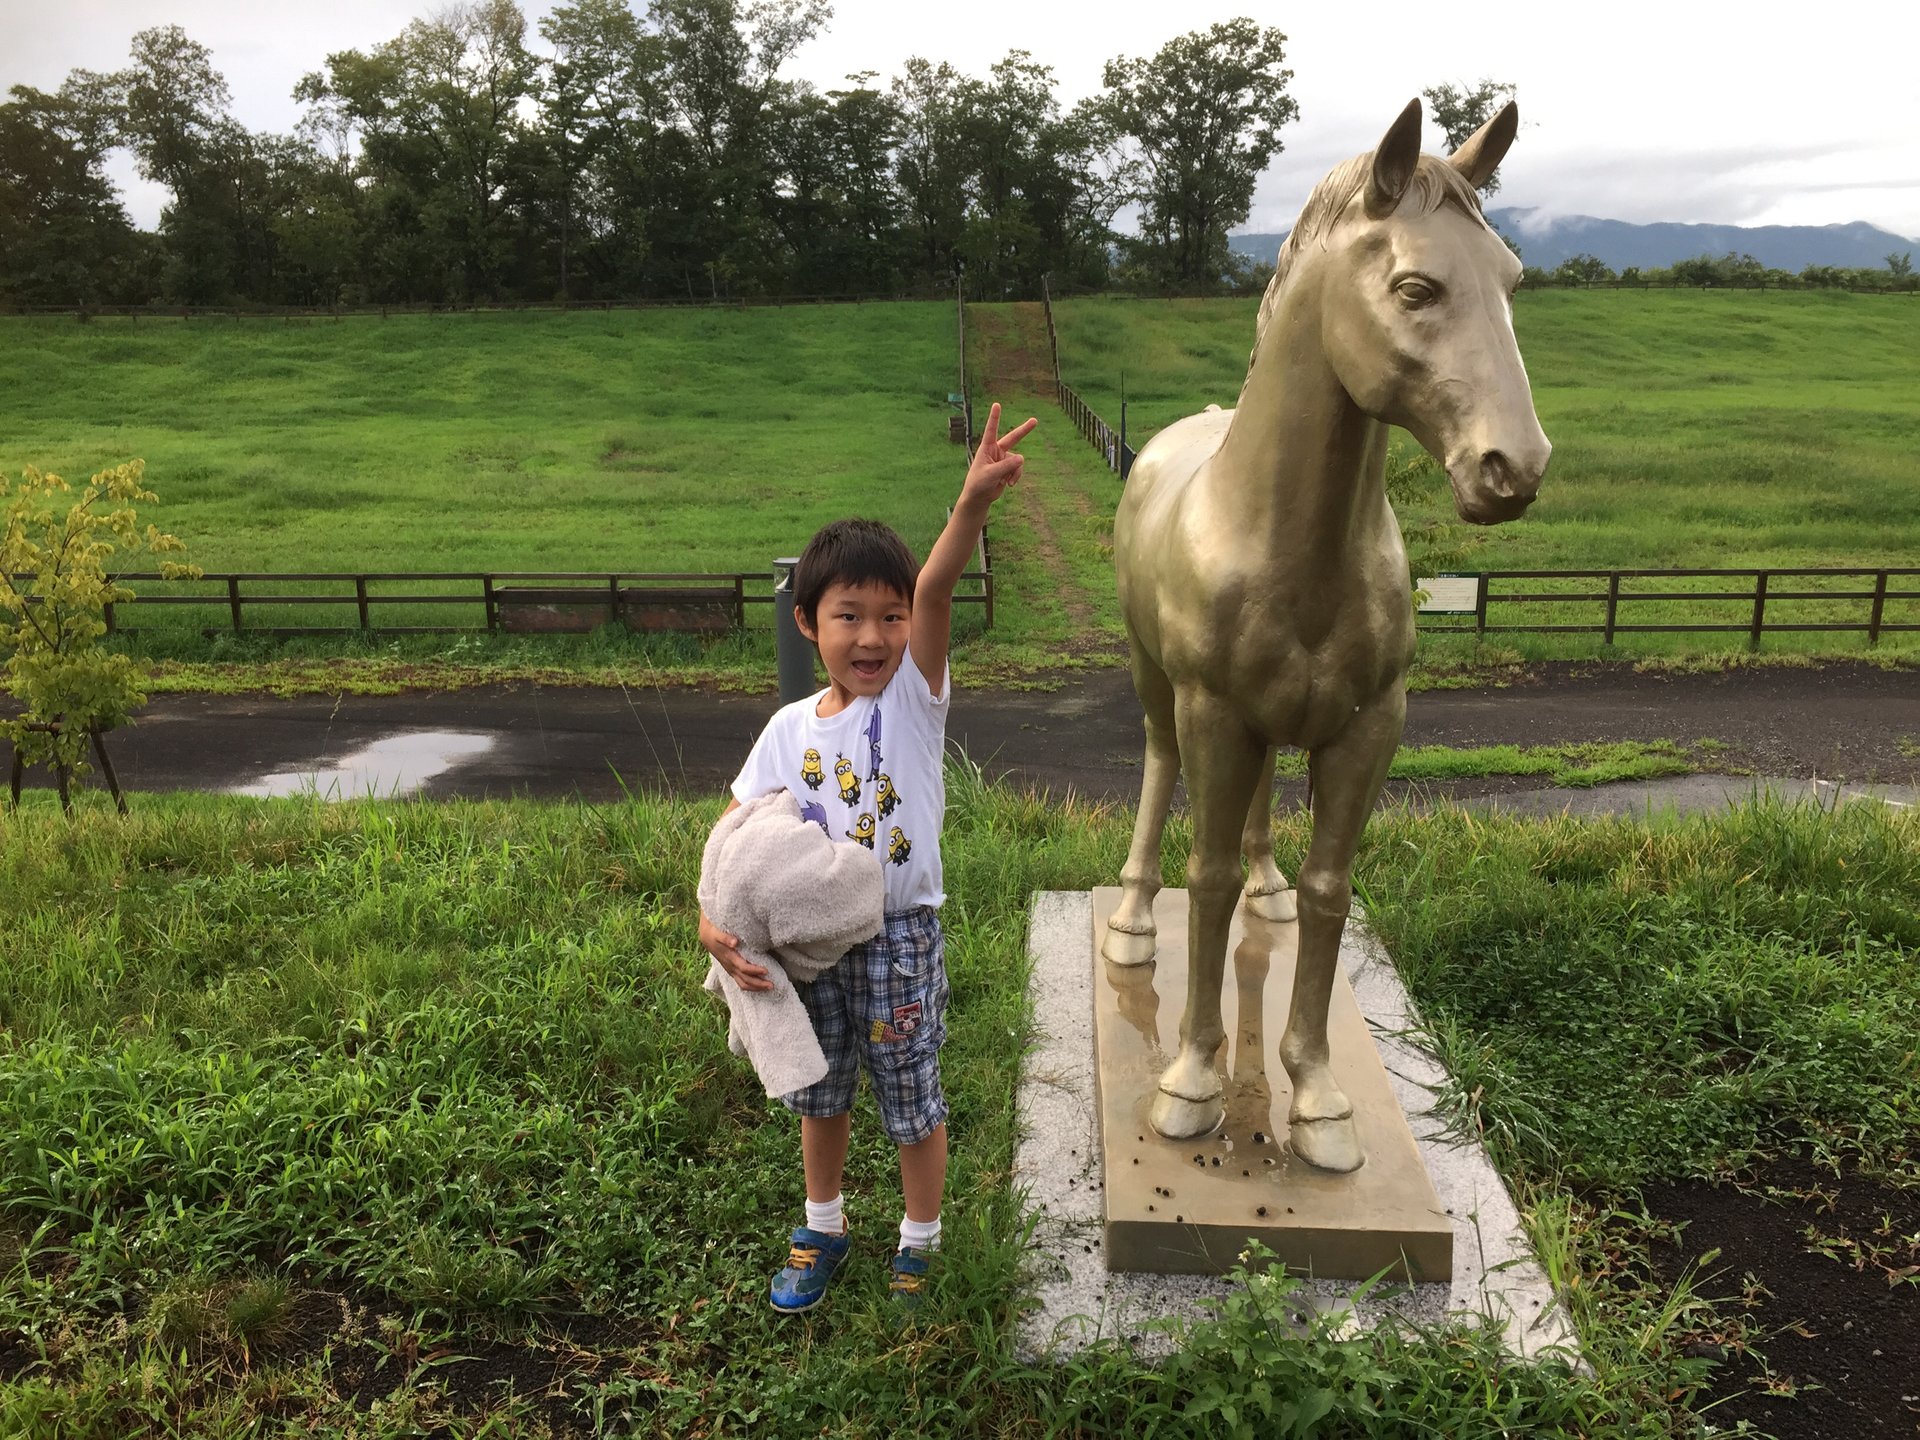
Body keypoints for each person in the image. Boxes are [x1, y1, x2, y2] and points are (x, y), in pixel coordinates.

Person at [698, 403, 1038, 1313]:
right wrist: (710, 922)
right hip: (812, 949)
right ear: (808, 622)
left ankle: (919, 1243)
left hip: (898, 940)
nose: (875, 636)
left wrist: (968, 508)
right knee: (820, 1092)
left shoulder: (916, 702)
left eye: (889, 616)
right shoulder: (785, 729)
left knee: (910, 1097)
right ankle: (824, 1226)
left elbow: (934, 592)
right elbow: (731, 834)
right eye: (849, 615)